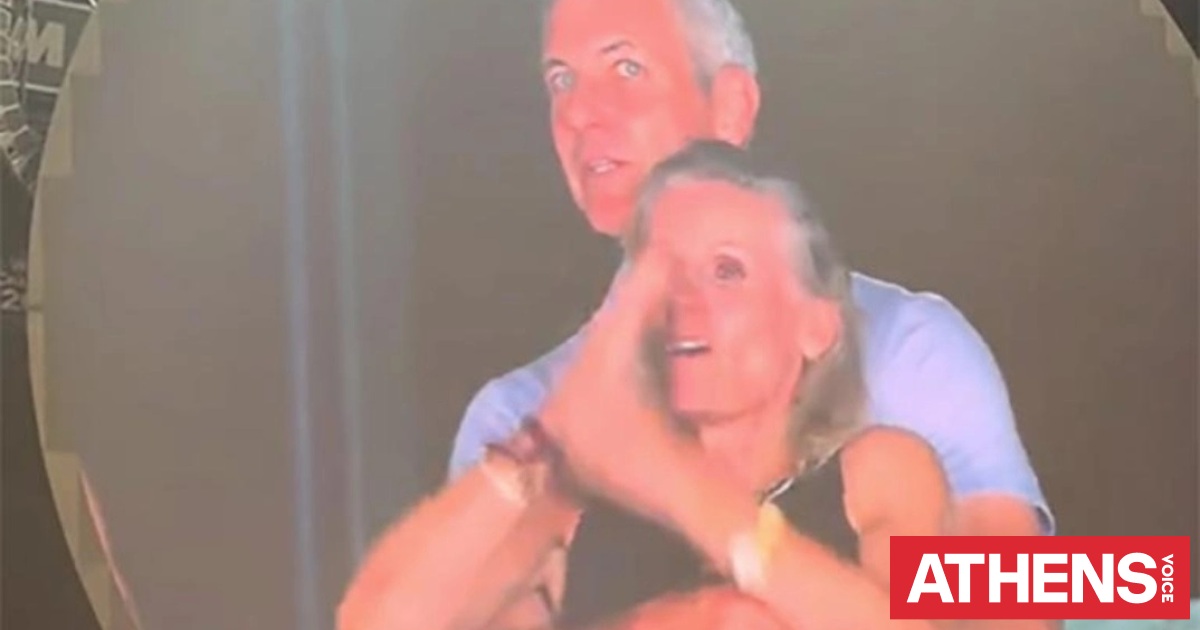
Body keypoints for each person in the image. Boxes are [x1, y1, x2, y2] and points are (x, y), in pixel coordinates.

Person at [449, 0, 1051, 539]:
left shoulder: (907, 346)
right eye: (561, 80)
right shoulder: (516, 420)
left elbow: (1032, 592)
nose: (578, 112)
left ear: (731, 106)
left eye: (627, 68)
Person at [338, 140, 952, 630]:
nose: (684, 300)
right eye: (664, 272)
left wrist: (672, 481)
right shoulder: (570, 500)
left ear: (816, 327)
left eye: (726, 271)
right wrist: (545, 433)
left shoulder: (886, 468)